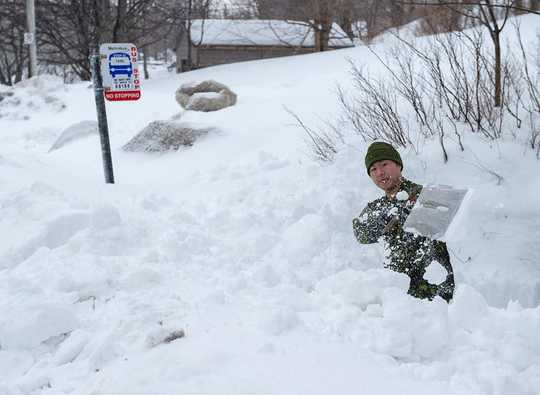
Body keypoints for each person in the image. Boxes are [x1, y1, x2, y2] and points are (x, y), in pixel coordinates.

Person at [352, 142, 455, 302]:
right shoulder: (377, 207)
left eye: (384, 164)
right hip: (399, 299)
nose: (380, 172)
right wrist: (378, 224)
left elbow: (449, 230)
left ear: (398, 165)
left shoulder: (426, 195)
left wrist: (413, 217)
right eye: (373, 169)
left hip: (434, 296)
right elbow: (361, 234)